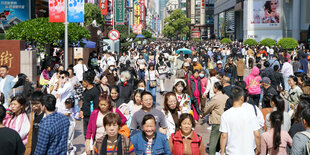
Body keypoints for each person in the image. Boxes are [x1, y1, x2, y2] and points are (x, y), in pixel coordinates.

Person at [220, 86, 261, 155]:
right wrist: (258, 149)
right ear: (242, 98)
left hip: (232, 152)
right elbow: (257, 134)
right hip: (249, 151)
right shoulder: (251, 113)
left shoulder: (226, 114)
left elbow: (224, 135)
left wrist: (222, 152)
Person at [202, 82, 229, 155]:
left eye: (213, 87)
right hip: (225, 121)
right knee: (223, 141)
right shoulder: (226, 97)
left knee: (213, 142)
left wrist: (203, 114)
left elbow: (207, 108)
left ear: (216, 88)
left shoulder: (215, 98)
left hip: (217, 121)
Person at [79, 70, 100, 138]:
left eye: (83, 81)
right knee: (86, 135)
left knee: (92, 135)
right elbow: (85, 103)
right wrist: (81, 110)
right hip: (86, 117)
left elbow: (96, 105)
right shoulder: (85, 91)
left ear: (87, 82)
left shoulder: (95, 91)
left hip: (92, 117)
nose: (82, 83)